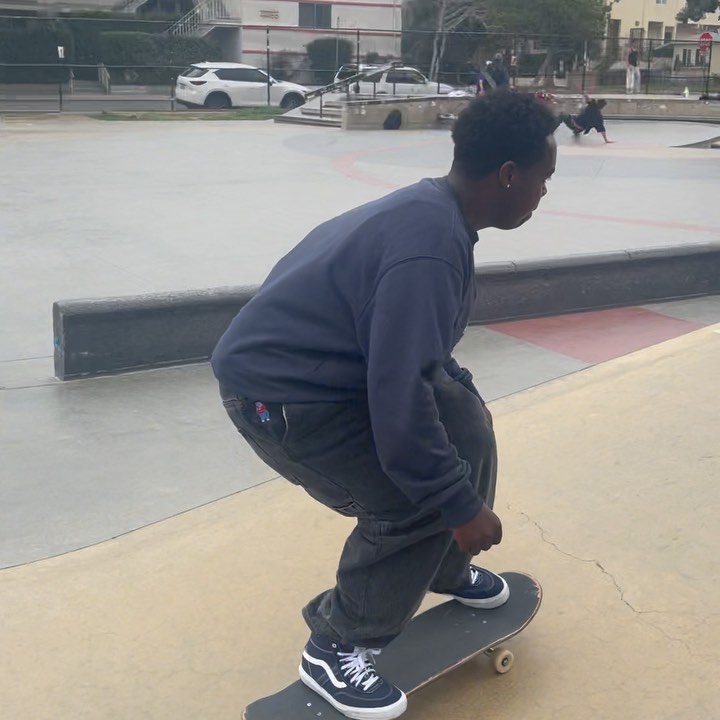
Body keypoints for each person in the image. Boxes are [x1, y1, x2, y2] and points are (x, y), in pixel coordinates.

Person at [211, 92, 557, 720]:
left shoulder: (440, 215)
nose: (543, 193)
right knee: (412, 501)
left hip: (333, 372)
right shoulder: (428, 247)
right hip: (280, 396)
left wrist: (460, 413)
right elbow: (398, 402)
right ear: (509, 174)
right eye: (543, 177)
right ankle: (336, 646)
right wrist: (458, 506)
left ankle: (445, 567)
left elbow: (419, 361)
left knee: (464, 421)